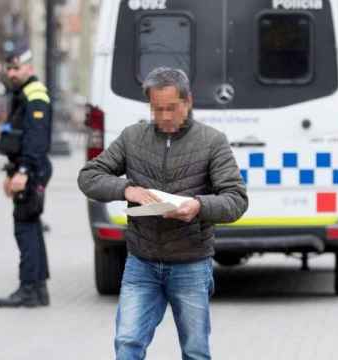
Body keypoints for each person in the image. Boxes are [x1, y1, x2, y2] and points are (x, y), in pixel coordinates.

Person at [77, 67, 248, 359]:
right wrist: (126, 190)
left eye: (172, 108)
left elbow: (236, 200)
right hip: (141, 263)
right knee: (127, 342)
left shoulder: (212, 141)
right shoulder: (133, 138)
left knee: (195, 350)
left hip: (191, 264)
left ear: (188, 101)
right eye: (158, 109)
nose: (165, 116)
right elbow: (89, 176)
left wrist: (198, 206)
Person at [0, 47, 52, 308]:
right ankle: (38, 289)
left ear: (29, 68)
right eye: (8, 68)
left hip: (32, 169)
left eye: (16, 67)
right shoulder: (20, 93)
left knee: (25, 228)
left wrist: (24, 172)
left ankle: (29, 288)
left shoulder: (34, 94)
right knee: (31, 225)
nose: (11, 73)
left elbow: (36, 139)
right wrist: (13, 170)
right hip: (25, 168)